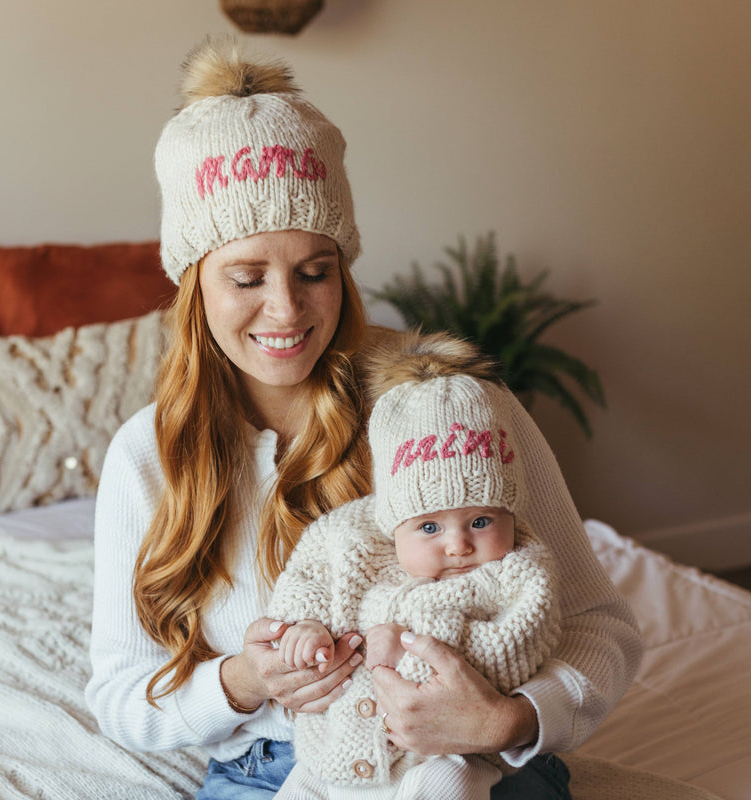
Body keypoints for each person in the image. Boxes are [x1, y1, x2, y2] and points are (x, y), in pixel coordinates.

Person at [85, 37, 642, 800]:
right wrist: (243, 682)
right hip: (272, 771)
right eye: (246, 278)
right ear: (194, 286)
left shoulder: (448, 406)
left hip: (475, 758)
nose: (286, 310)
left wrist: (508, 721)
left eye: (314, 273)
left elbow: (598, 624)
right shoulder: (148, 455)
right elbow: (121, 697)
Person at [268, 350, 563, 799]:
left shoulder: (520, 572)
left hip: (446, 751)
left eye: (481, 521)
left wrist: (405, 651)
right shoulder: (356, 541)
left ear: (509, 514)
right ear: (394, 525)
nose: (458, 545)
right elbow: (309, 577)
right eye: (429, 528)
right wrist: (304, 626)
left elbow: (513, 652)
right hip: (335, 747)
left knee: (449, 784)